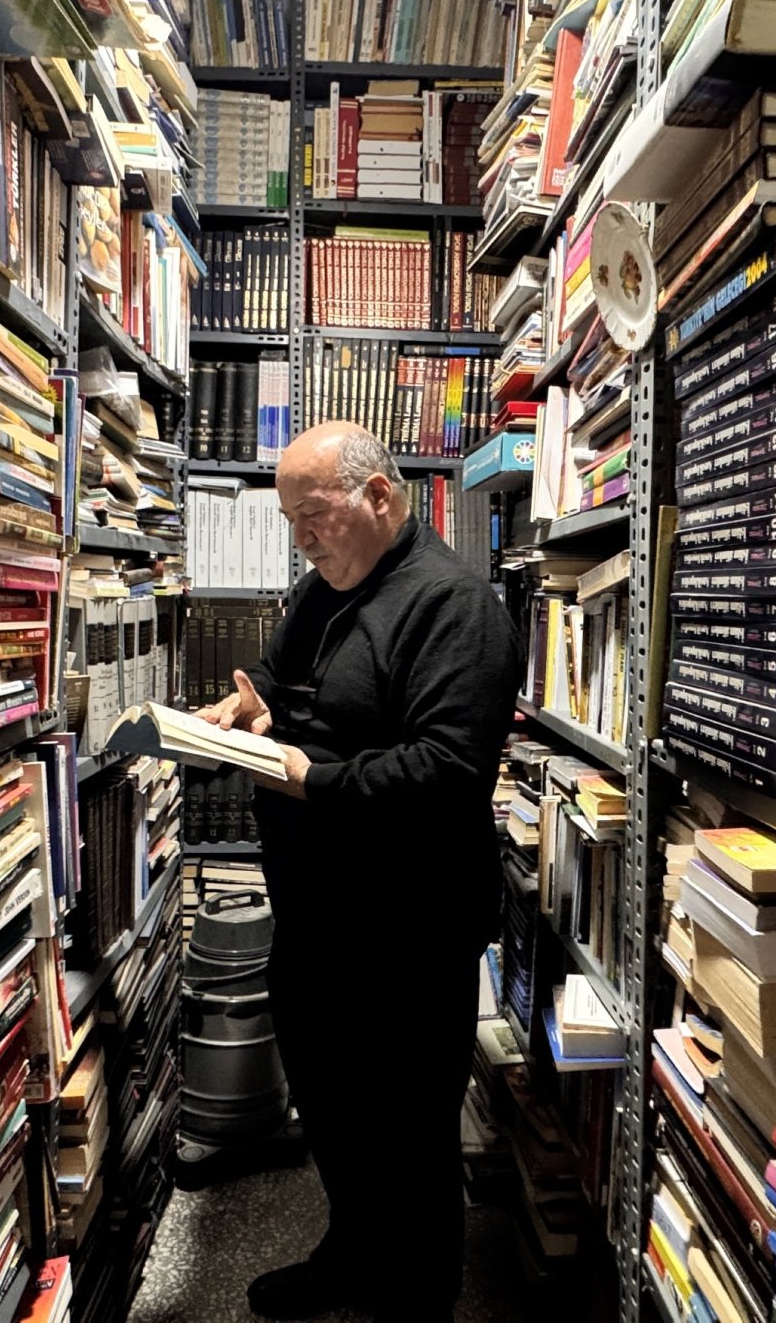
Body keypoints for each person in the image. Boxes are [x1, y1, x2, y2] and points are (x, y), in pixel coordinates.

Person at [196, 421, 524, 1322]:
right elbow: (281, 679)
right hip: (316, 911)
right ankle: (350, 1254)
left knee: (408, 1130)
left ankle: (418, 1299)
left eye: (314, 514)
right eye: (289, 519)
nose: (300, 536)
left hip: (409, 924)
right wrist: (246, 707)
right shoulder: (324, 587)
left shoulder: (456, 607)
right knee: (332, 1107)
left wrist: (311, 778)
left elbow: (448, 772)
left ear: (379, 495)